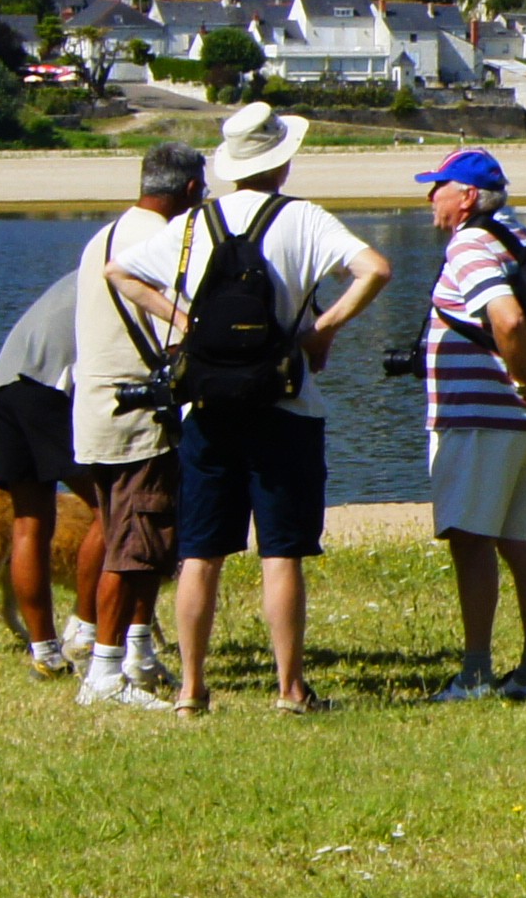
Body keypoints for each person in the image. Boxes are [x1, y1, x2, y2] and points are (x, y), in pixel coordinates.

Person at [160, 104, 388, 714]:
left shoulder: (194, 222)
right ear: (281, 162)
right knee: (281, 550)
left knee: (200, 551)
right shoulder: (303, 218)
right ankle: (289, 689)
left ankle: (190, 690)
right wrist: (324, 329)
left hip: (207, 406)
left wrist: (189, 324)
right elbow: (375, 269)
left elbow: (119, 271)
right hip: (285, 404)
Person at [415, 149, 526, 701]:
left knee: (470, 539)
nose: (429, 197)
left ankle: (476, 672)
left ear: (468, 197)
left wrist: (522, 381)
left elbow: (507, 317)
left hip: (483, 418)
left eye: (438, 187)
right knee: (523, 541)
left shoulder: (470, 244)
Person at [70, 142, 201, 708]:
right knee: (134, 548)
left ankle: (138, 655)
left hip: (95, 413)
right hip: (136, 423)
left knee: (133, 540)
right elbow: (182, 327)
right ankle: (104, 672)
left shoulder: (105, 234)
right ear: (191, 191)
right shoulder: (161, 242)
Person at [0, 262, 81, 675]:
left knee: (29, 520)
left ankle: (45, 651)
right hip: (47, 387)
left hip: (3, 384)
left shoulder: (88, 263)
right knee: (114, 513)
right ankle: (89, 633)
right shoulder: (152, 262)